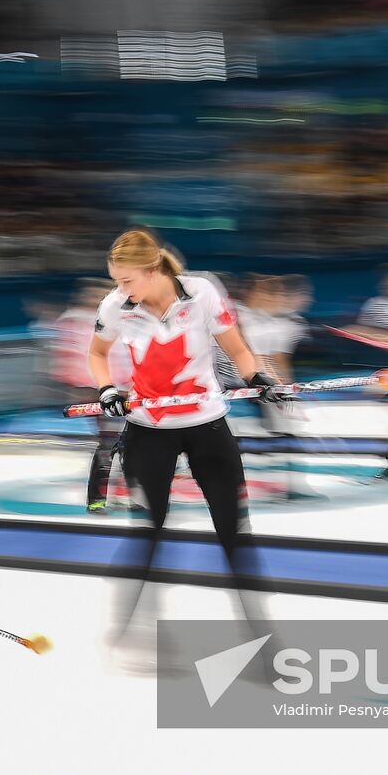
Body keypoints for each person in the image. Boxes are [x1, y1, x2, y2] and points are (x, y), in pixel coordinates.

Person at [88, 229, 287, 656]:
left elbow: (238, 350)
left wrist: (259, 379)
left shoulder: (202, 293)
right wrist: (107, 390)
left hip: (207, 426)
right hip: (147, 432)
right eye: (116, 281)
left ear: (153, 269)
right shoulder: (116, 306)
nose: (120, 291)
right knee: (149, 530)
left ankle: (263, 639)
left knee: (235, 531)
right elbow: (97, 354)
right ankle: (134, 630)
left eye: (127, 281)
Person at [51, 280, 132, 513]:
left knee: (125, 443)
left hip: (120, 391)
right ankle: (97, 500)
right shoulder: (74, 322)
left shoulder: (115, 321)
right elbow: (78, 362)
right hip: (95, 392)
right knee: (109, 443)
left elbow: (122, 357)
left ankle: (123, 493)